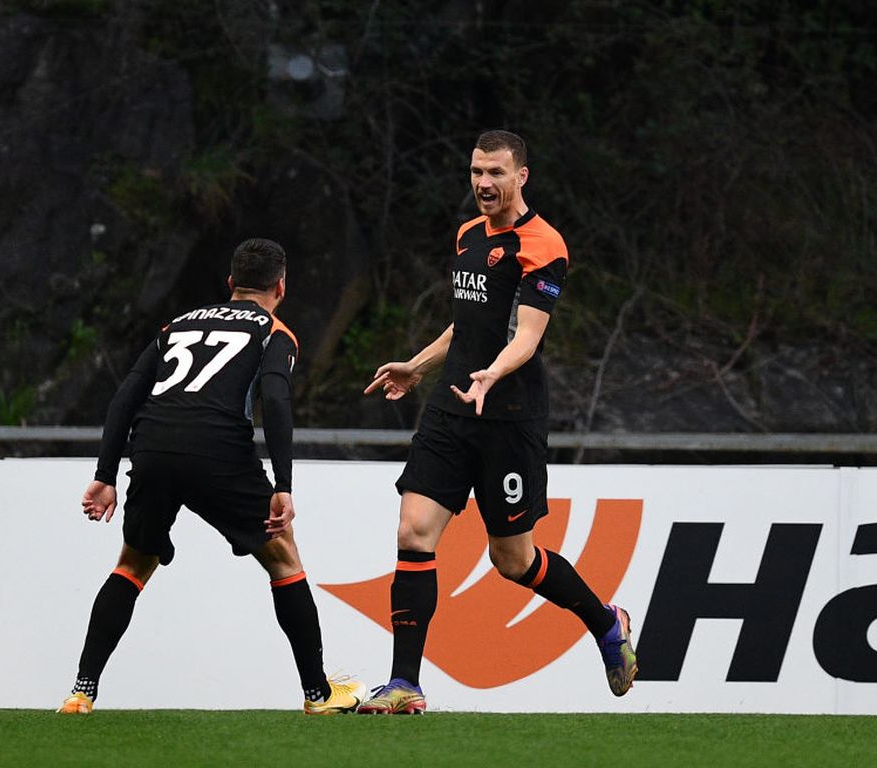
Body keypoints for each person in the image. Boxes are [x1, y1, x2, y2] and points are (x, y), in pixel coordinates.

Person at [359, 130, 637, 713]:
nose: (484, 184)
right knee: (413, 530)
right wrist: (417, 365)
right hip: (450, 408)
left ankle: (604, 621)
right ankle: (404, 683)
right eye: (476, 172)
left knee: (512, 561)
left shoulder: (543, 244)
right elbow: (465, 327)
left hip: (508, 418)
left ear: (522, 177)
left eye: (496, 174)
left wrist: (491, 374)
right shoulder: (466, 235)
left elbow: (526, 338)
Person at [59, 237, 366, 715]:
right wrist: (283, 483)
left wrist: (106, 474)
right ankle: (318, 695)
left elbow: (125, 397)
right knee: (284, 561)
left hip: (154, 447)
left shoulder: (175, 326)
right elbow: (277, 401)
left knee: (132, 565)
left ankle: (81, 691)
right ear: (281, 286)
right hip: (218, 450)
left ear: (230, 284)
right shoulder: (273, 332)